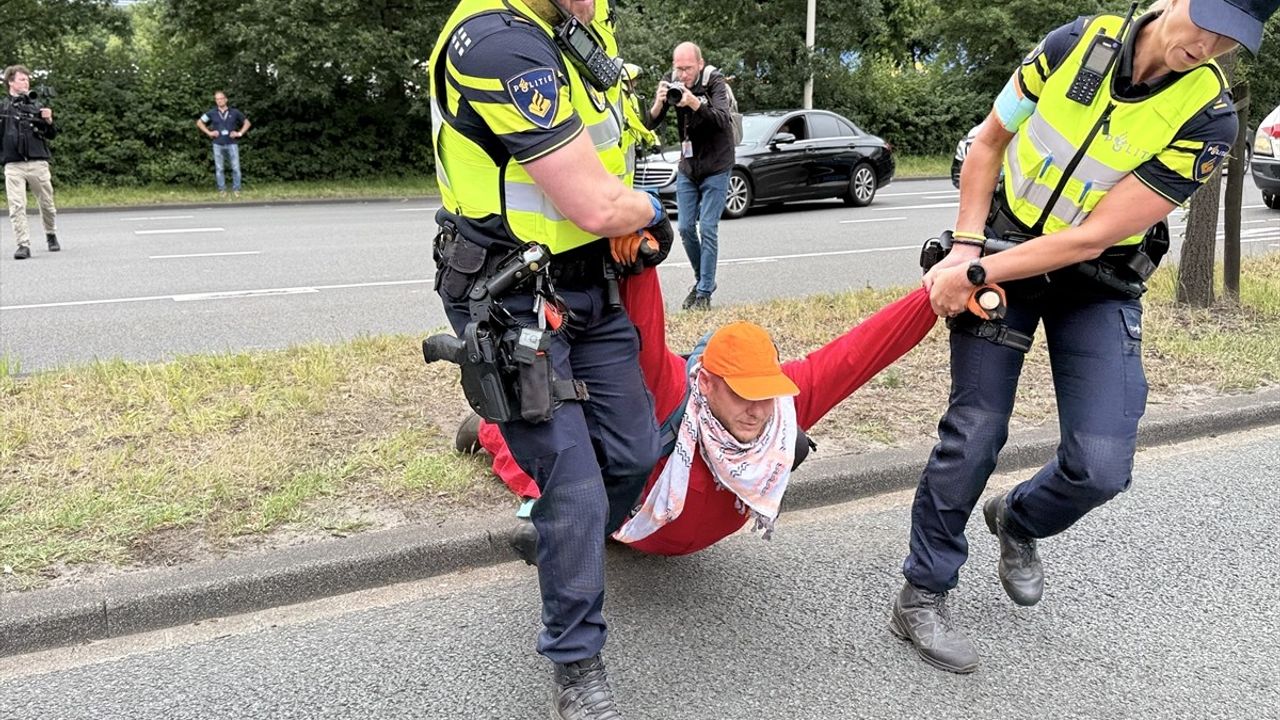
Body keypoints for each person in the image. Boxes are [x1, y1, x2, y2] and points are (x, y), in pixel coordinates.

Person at [893, 0, 1279, 675]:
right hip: (1007, 245)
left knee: (1102, 464)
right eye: (1207, 22)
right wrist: (964, 248)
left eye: (1231, 40)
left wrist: (978, 270)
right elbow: (989, 142)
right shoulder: (1075, 42)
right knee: (976, 431)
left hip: (1095, 280)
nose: (1209, 44)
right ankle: (923, 591)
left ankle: (1018, 520)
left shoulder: (1210, 118)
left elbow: (1093, 235)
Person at [426, 0, 676, 717]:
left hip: (590, 289)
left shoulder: (578, 26)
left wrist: (631, 221)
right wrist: (653, 214)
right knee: (574, 486)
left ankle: (562, 543)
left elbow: (618, 145)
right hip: (510, 301)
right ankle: (575, 661)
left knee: (633, 452)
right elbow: (598, 202)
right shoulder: (495, 41)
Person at [458, 263, 938, 557]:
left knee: (793, 440)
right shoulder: (671, 394)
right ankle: (486, 430)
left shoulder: (783, 405)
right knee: (554, 470)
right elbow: (643, 329)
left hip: (683, 532)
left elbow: (863, 352)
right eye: (741, 394)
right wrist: (638, 253)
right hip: (631, 524)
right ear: (705, 383)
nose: (757, 411)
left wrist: (933, 299)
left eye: (764, 394)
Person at [645, 42, 736, 311]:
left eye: (687, 69)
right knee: (685, 228)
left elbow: (722, 120)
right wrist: (659, 102)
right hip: (689, 166)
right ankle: (702, 282)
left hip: (717, 164)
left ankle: (704, 292)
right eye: (678, 68)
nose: (682, 75)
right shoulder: (670, 81)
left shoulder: (714, 82)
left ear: (699, 64)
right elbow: (650, 123)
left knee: (707, 227)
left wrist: (694, 102)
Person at [1, 65, 59, 261]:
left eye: (28, 79)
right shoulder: (2, 107)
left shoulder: (37, 106)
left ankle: (50, 233)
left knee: (47, 204)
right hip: (13, 164)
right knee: (16, 206)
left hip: (38, 163)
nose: (26, 82)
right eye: (22, 79)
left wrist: (49, 120)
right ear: (10, 82)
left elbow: (51, 135)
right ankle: (23, 245)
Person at [196, 91, 251, 198]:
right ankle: (222, 190)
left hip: (232, 144)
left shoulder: (234, 112)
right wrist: (209, 133)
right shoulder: (212, 113)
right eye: (217, 99)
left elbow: (247, 123)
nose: (219, 100)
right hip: (217, 144)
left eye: (221, 98)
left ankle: (237, 189)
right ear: (215, 101)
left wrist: (239, 133)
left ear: (226, 99)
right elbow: (199, 122)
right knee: (219, 169)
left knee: (235, 167)